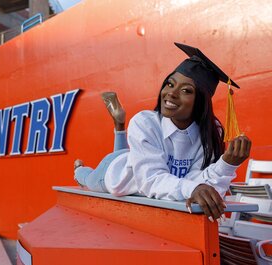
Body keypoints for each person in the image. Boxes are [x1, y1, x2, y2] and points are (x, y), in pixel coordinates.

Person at [74, 43, 252, 223]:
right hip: (113, 173)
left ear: (201, 102)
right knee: (87, 178)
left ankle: (119, 123)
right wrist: (193, 188)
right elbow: (151, 180)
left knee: (128, 158)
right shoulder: (145, 122)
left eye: (185, 90)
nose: (171, 94)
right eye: (169, 84)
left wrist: (227, 164)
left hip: (137, 158)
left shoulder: (209, 132)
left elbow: (199, 184)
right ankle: (79, 167)